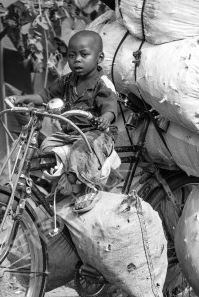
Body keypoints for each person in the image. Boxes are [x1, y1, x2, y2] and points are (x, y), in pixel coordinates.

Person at [8, 30, 120, 210]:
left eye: (84, 55)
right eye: (72, 55)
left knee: (80, 151)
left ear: (99, 58)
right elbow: (45, 95)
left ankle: (87, 188)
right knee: (46, 145)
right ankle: (65, 178)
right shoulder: (67, 81)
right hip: (70, 132)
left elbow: (110, 108)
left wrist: (105, 119)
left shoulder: (102, 83)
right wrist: (24, 98)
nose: (77, 59)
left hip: (96, 133)